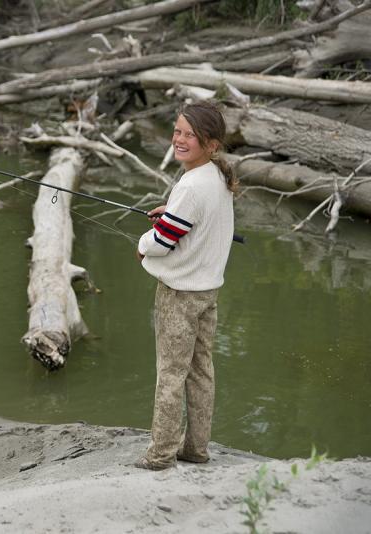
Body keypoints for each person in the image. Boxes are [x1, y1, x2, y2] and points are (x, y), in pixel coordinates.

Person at [134, 101, 237, 470]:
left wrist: (143, 246)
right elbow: (191, 224)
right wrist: (170, 214)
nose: (179, 139)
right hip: (208, 292)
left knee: (170, 374)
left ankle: (160, 455)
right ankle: (195, 448)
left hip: (180, 295)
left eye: (189, 135)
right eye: (177, 131)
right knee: (200, 371)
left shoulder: (191, 187)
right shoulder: (216, 177)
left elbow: (161, 243)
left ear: (209, 143)